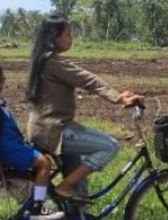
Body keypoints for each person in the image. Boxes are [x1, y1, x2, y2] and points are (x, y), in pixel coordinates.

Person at [26, 16, 144, 199]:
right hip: (54, 131)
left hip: (45, 129)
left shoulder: (43, 61)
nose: (70, 38)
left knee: (79, 191)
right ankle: (66, 185)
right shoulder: (54, 63)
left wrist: (119, 96)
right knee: (110, 146)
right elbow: (88, 80)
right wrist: (118, 98)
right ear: (54, 37)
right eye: (67, 34)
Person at [0, 58, 63, 220]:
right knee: (44, 163)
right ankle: (37, 206)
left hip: (11, 148)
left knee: (41, 159)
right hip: (5, 152)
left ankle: (33, 199)